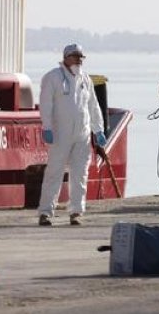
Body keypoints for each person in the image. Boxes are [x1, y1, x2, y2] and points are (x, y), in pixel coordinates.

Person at [36, 43, 106, 226]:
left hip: (81, 134)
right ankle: (45, 212)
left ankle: (76, 211)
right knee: (54, 172)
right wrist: (47, 127)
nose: (79, 60)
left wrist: (98, 130)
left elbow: (93, 106)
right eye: (75, 56)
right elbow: (46, 104)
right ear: (66, 57)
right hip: (60, 134)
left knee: (80, 173)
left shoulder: (85, 80)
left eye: (81, 57)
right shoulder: (53, 77)